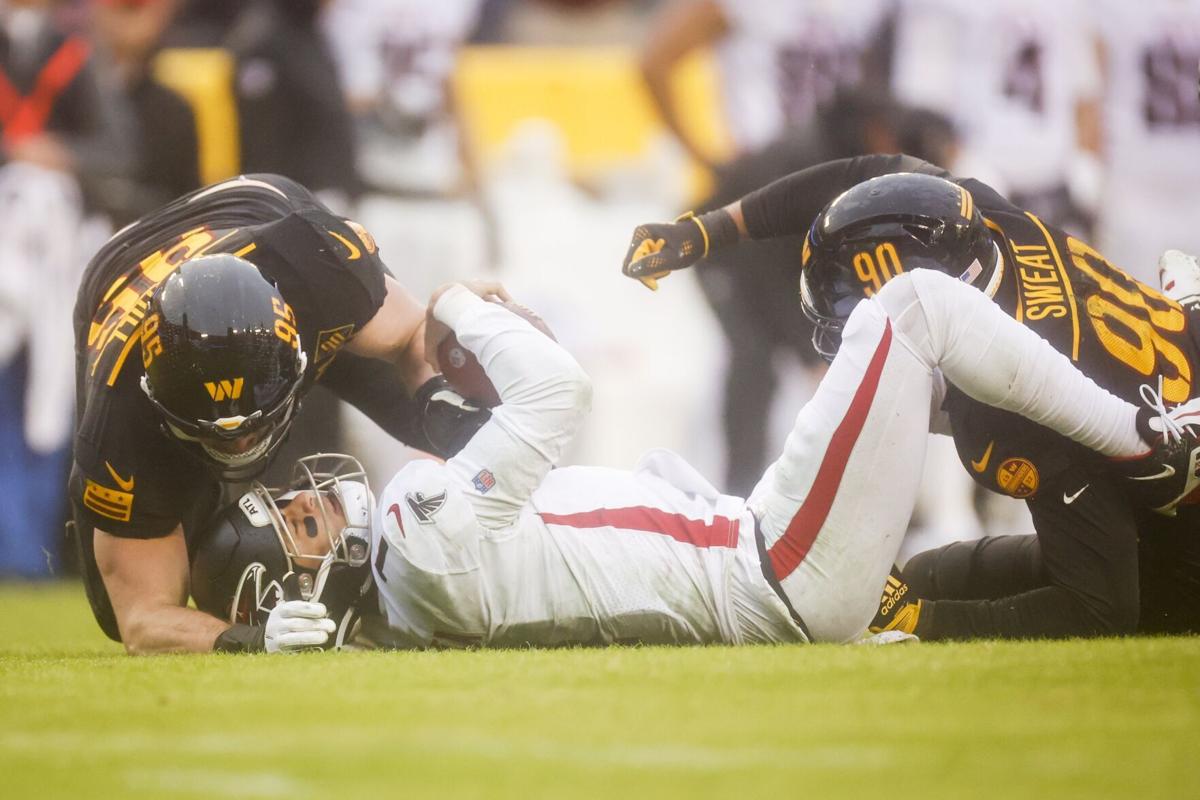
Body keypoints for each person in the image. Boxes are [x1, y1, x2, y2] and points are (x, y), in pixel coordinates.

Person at [188, 274, 1184, 651]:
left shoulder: (421, 585)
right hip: (771, 568)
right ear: (301, 581)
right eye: (302, 524)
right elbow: (556, 391)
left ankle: (1164, 566)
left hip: (762, 566)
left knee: (1000, 570)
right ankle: (1150, 429)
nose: (312, 498)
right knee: (916, 306)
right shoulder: (415, 544)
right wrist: (455, 302)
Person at [621, 153, 1200, 639]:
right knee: (928, 573)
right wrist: (710, 231)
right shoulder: (985, 216)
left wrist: (921, 622)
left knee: (935, 594)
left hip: (1176, 543)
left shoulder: (1009, 412)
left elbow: (1100, 611)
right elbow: (863, 180)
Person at [70, 173, 497, 654]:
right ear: (157, 396)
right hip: (116, 273)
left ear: (300, 355)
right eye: (217, 434)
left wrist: (458, 428)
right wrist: (251, 641)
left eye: (252, 428)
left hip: (254, 208)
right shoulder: (119, 421)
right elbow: (141, 619)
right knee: (122, 604)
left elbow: (414, 338)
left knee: (457, 416)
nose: (239, 446)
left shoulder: (318, 269)